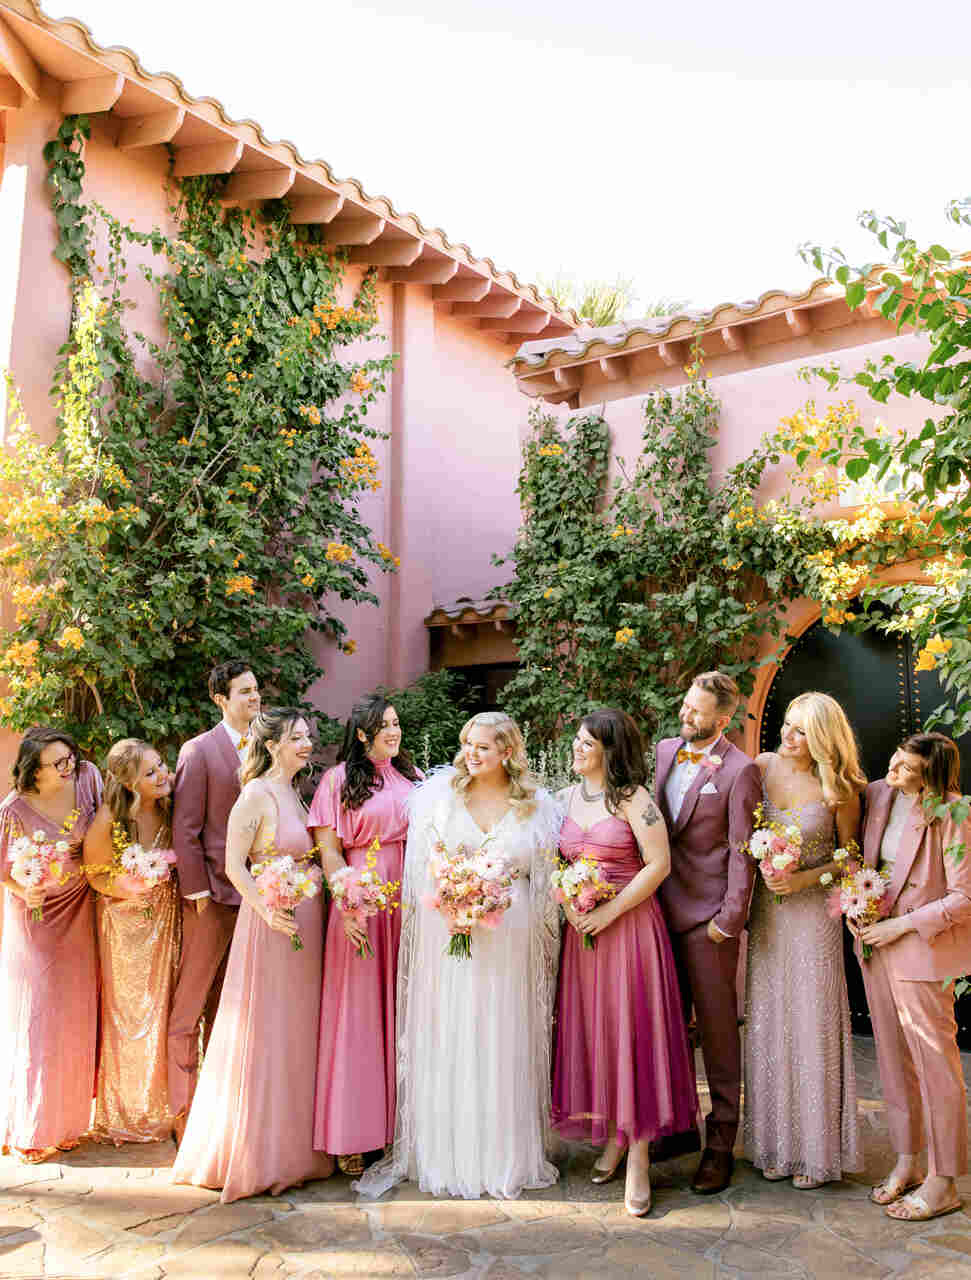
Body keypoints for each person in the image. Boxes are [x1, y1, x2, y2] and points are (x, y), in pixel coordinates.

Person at [356, 711, 562, 1200]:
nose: (471, 753)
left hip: (510, 939)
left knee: (502, 1034)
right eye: (468, 743)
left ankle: (502, 1153)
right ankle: (446, 1153)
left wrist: (498, 897)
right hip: (449, 936)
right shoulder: (438, 798)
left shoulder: (538, 806)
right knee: (454, 1031)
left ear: (507, 752)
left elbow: (545, 880)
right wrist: (454, 901)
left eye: (483, 747)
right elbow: (423, 870)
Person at [172, 707, 334, 1202]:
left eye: (308, 736)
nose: (307, 744)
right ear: (271, 745)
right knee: (266, 1032)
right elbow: (233, 866)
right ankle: (256, 1152)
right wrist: (266, 910)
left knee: (296, 1032)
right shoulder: (255, 794)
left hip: (304, 921)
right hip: (271, 926)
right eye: (297, 738)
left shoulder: (295, 792)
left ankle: (296, 1149)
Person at [551, 709, 697, 1217]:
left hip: (630, 930)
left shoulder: (635, 800)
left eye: (586, 743)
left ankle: (638, 1154)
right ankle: (614, 1133)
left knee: (632, 1033)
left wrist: (610, 909)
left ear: (611, 750)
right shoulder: (564, 799)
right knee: (598, 1036)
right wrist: (571, 906)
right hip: (584, 937)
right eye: (575, 740)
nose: (576, 749)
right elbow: (556, 862)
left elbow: (660, 864)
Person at [744, 692, 864, 1188]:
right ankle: (772, 1144)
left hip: (812, 914)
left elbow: (851, 857)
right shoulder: (762, 766)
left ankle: (814, 1151)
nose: (787, 739)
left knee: (811, 1022)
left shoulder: (841, 789)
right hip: (768, 914)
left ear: (823, 739)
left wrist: (803, 880)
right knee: (769, 1023)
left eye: (800, 732)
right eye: (787, 727)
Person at [857, 732, 971, 1222]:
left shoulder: (956, 814)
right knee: (892, 1058)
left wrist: (897, 926)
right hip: (875, 947)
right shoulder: (881, 794)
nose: (892, 773)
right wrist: (856, 909)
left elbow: (964, 898)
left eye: (906, 769)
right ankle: (907, 1161)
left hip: (921, 950)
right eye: (894, 761)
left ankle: (944, 1181)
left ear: (933, 776)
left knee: (936, 1065)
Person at [655, 672, 761, 1194]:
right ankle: (675, 1133)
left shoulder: (742, 771)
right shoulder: (664, 752)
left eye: (697, 712)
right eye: (685, 706)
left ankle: (720, 1146)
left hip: (709, 923)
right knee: (668, 1030)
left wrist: (730, 920)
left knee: (719, 1037)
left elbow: (743, 850)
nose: (685, 716)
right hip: (658, 915)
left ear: (723, 719)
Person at [308, 695, 421, 1175]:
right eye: (383, 726)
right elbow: (329, 850)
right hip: (363, 902)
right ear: (361, 734)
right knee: (358, 1017)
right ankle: (351, 1134)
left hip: (409, 904)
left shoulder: (412, 778)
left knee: (403, 1014)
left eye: (397, 723)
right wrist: (347, 901)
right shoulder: (336, 782)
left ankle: (399, 1127)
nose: (393, 732)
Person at [0, 728, 102, 1162]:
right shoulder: (13, 809)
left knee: (74, 1015)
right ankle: (30, 1125)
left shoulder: (88, 779)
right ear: (33, 770)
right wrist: (23, 890)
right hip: (35, 918)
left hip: (80, 908)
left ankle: (66, 1123)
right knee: (37, 1018)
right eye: (58, 763)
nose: (69, 767)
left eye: (70, 758)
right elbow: (3, 869)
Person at [168, 660, 260, 1136]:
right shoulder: (199, 751)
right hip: (211, 898)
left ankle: (224, 1110)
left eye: (255, 690)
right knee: (190, 1007)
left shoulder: (268, 747)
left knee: (232, 1009)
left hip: (257, 899)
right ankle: (182, 1115)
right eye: (244, 692)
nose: (254, 698)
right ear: (220, 699)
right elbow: (185, 829)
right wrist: (198, 891)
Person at [83, 739, 181, 1144]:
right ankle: (126, 1111)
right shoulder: (110, 818)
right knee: (127, 1015)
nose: (162, 776)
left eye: (161, 766)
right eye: (150, 773)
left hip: (167, 918)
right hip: (124, 926)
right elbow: (94, 873)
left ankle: (164, 1107)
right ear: (128, 782)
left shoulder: (173, 806)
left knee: (165, 1010)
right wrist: (130, 888)